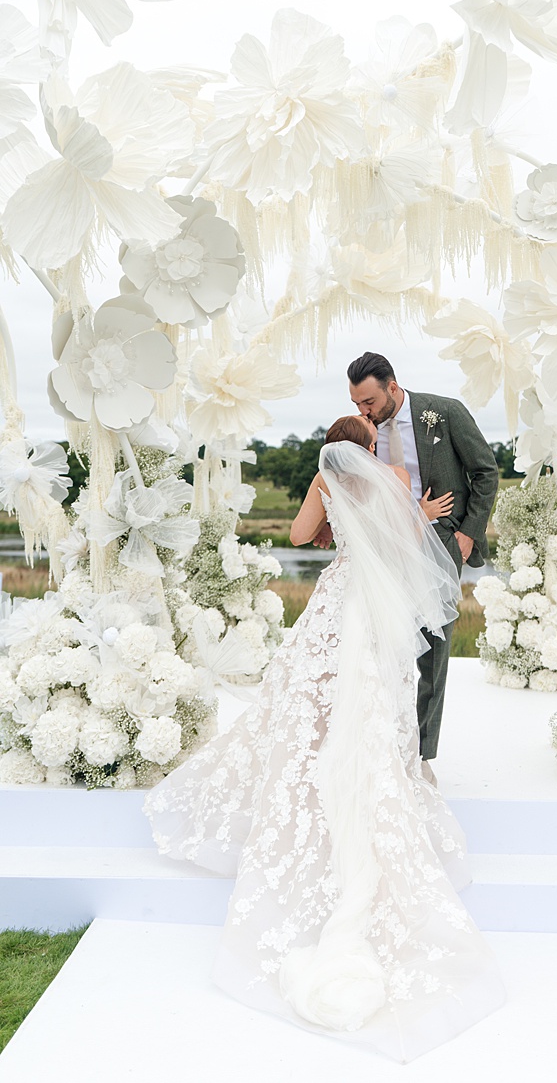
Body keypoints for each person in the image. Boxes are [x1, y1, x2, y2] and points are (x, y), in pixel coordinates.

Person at [144, 414, 504, 1062]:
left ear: (332, 450)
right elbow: (405, 544)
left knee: (313, 692)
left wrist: (323, 494)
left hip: (340, 591)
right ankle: (374, 769)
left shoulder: (325, 477)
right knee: (373, 697)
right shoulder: (391, 476)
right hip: (377, 598)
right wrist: (419, 511)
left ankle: (314, 763)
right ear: (369, 445)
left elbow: (298, 534)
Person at [339, 352, 499, 779]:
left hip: (441, 543)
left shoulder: (444, 413)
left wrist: (468, 532)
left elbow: (485, 471)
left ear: (393, 386)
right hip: (384, 548)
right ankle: (383, 740)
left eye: (369, 402)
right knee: (386, 644)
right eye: (357, 404)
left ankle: (422, 755)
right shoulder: (363, 431)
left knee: (435, 648)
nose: (362, 411)